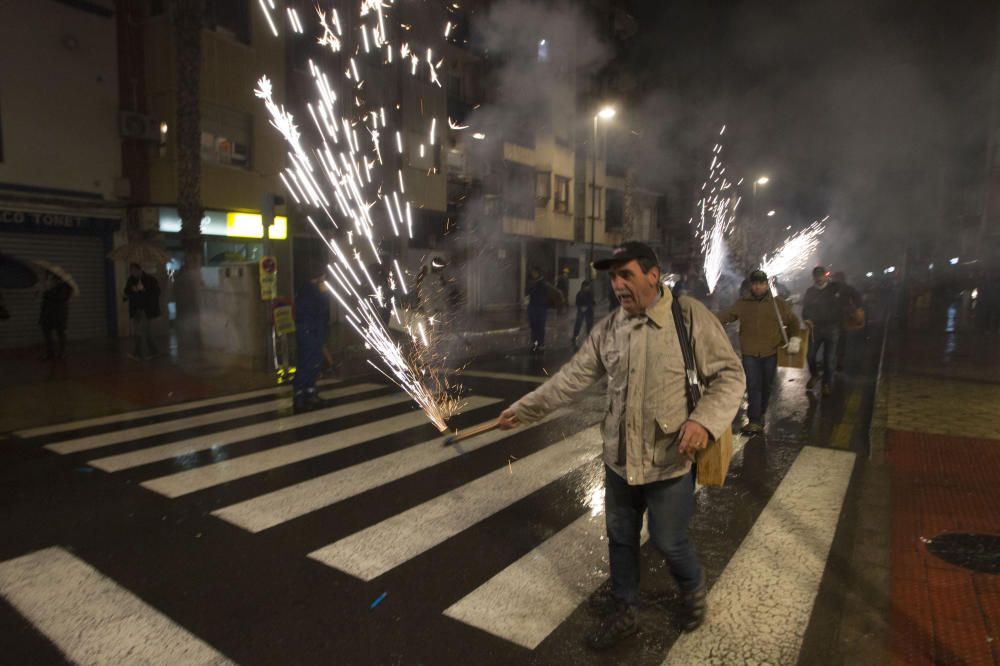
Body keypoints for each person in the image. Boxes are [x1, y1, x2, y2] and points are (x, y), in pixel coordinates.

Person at [498, 242, 744, 650]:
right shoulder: (610, 328)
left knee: (669, 540)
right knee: (621, 540)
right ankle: (625, 609)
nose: (617, 285)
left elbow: (731, 376)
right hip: (618, 462)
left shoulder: (688, 316)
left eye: (625, 274)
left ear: (653, 274)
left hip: (669, 462)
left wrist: (703, 421)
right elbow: (572, 378)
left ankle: (692, 585)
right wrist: (523, 411)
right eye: (613, 277)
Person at [717, 269, 801, 435]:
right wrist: (707, 318)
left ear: (766, 284)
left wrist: (794, 339)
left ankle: (760, 413)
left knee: (766, 385)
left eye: (761, 284)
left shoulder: (778, 304)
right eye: (755, 284)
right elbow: (726, 315)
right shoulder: (743, 303)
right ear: (751, 285)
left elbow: (793, 322)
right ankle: (754, 420)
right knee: (753, 386)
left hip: (770, 352)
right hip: (750, 353)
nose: (757, 287)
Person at [802, 265, 844, 396]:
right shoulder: (810, 292)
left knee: (828, 359)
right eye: (816, 276)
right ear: (813, 278)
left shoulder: (834, 288)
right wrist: (806, 319)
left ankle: (827, 384)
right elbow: (805, 309)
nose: (819, 278)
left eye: (821, 276)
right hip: (816, 329)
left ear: (825, 276)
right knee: (810, 356)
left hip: (832, 329)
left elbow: (843, 304)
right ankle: (815, 375)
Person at [293, 267, 331, 412]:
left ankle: (310, 393)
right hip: (309, 330)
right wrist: (323, 291)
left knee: (315, 362)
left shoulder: (311, 289)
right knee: (307, 362)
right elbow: (318, 307)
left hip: (315, 330)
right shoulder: (309, 290)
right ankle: (299, 397)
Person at [123, 263, 161, 360]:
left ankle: (138, 354)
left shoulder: (150, 279)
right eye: (131, 271)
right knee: (145, 332)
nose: (132, 273)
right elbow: (126, 293)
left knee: (140, 331)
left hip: (146, 310)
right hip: (136, 310)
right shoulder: (131, 280)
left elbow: (156, 292)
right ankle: (154, 351)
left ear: (139, 270)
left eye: (134, 270)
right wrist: (130, 293)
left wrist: (144, 290)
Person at [831, 271, 863, 371]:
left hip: (835, 318)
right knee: (840, 340)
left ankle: (836, 361)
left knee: (835, 340)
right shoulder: (848, 288)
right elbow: (858, 300)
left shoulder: (831, 289)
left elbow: (858, 300)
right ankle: (838, 361)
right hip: (840, 318)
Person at [39, 270, 73, 360]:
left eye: (51, 277)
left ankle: (61, 353)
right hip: (47, 314)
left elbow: (60, 298)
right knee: (47, 334)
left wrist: (47, 291)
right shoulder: (49, 287)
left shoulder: (66, 287)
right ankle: (50, 354)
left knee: (60, 333)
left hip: (59, 314)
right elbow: (45, 302)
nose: (50, 279)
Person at [525, 268, 549, 352]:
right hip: (533, 307)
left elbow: (543, 296)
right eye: (532, 272)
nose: (533, 274)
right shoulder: (533, 282)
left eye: (534, 272)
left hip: (540, 308)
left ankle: (541, 343)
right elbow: (529, 293)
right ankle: (535, 343)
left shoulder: (542, 283)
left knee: (540, 327)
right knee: (534, 327)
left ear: (538, 273)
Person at [572, 279, 595, 348]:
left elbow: (591, 301)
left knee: (589, 324)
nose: (587, 287)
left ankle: (589, 336)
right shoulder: (579, 293)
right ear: (583, 286)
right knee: (578, 323)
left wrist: (589, 305)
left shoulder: (590, 293)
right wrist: (581, 307)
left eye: (588, 286)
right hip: (581, 310)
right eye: (586, 286)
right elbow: (577, 302)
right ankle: (575, 336)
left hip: (589, 311)